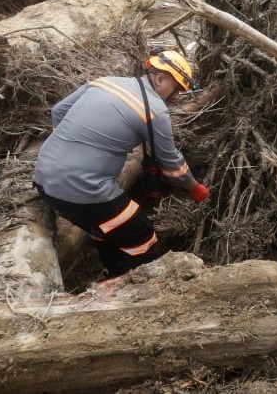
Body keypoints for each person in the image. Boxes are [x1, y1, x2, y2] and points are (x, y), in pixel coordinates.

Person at [33, 50, 210, 278]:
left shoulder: (103, 83)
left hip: (43, 179)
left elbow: (58, 112)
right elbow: (173, 167)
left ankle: (113, 272)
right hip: (83, 191)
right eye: (176, 89)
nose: (176, 97)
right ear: (160, 78)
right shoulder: (155, 111)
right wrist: (197, 190)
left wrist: (72, 150)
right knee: (142, 234)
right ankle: (142, 286)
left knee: (108, 225)